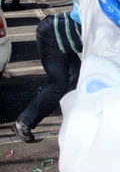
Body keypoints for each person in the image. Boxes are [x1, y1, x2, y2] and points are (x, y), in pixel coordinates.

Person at [12, 11, 82, 143]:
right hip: (51, 36)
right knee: (58, 86)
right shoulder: (102, 26)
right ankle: (23, 122)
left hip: (63, 37)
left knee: (75, 77)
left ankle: (72, 120)